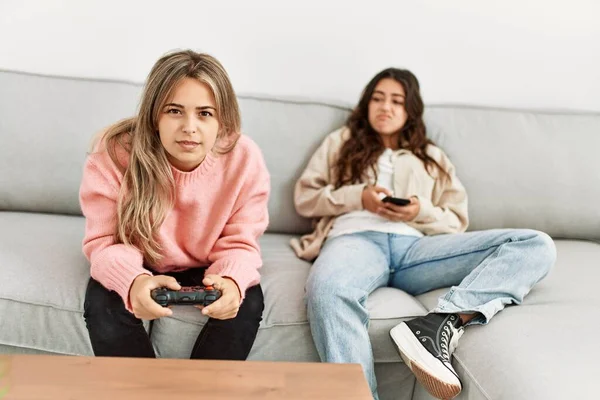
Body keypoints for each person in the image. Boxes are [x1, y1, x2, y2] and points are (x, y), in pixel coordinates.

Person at [290, 68, 555, 399]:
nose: (385, 107)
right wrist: (359, 197)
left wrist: (419, 212)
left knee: (534, 244)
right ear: (366, 104)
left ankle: (441, 322)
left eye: (397, 101)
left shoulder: (431, 158)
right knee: (328, 291)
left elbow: (457, 219)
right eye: (377, 98)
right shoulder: (339, 142)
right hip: (356, 239)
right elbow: (305, 198)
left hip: (416, 249)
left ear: (410, 110)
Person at [80, 50, 270, 361]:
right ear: (155, 115)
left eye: (205, 113)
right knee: (103, 304)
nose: (189, 127)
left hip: (208, 264)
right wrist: (134, 281)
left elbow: (240, 244)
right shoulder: (113, 154)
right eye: (174, 111)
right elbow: (104, 243)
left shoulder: (244, 159)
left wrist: (232, 281)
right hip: (138, 259)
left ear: (223, 120)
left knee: (246, 302)